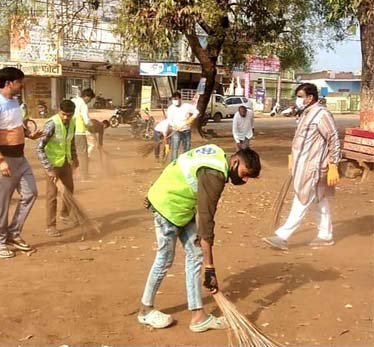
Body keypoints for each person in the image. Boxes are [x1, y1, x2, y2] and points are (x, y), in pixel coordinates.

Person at [139, 144, 261, 332]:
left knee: (195, 254)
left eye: (248, 178)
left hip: (182, 206)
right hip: (168, 205)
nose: (244, 180)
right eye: (245, 173)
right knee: (164, 259)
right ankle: (145, 310)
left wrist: (206, 264)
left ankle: (198, 316)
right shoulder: (215, 174)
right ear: (235, 161)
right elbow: (206, 220)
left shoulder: (218, 154)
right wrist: (210, 267)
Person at [263, 83, 341, 250]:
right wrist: (293, 157)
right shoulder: (306, 114)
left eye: (300, 96)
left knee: (302, 199)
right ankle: (325, 235)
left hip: (313, 166)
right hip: (301, 164)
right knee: (319, 200)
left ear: (310, 98)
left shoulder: (321, 114)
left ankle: (283, 236)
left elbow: (333, 139)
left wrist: (334, 164)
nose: (297, 100)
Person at [0, 67, 43, 259]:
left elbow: (16, 125)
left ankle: (13, 232)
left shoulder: (14, 101)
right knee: (2, 203)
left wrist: (29, 134)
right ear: (9, 83)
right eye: (19, 82)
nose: (21, 85)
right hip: (3, 159)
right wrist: (0, 161)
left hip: (20, 158)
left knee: (31, 193)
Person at [37, 100, 79, 237]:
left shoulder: (73, 123)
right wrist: (49, 168)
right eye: (63, 114)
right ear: (58, 111)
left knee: (69, 190)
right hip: (52, 164)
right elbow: (39, 148)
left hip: (65, 162)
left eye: (69, 115)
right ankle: (50, 226)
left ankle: (65, 215)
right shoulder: (52, 124)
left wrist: (75, 157)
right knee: (52, 196)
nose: (66, 118)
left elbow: (71, 141)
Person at [167, 91, 199, 161]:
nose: (175, 101)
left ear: (180, 99)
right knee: (175, 149)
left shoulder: (186, 106)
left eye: (176, 99)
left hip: (186, 131)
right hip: (176, 132)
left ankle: (185, 163)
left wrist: (191, 119)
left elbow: (196, 112)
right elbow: (169, 120)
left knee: (187, 149)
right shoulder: (170, 109)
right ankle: (174, 164)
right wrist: (175, 126)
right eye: (174, 99)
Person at [72, 88, 95, 181]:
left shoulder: (73, 101)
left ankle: (72, 174)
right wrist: (91, 126)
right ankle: (84, 176)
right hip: (79, 132)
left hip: (69, 132)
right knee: (83, 155)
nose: (89, 102)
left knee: (72, 154)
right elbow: (86, 121)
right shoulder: (83, 105)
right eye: (90, 99)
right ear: (87, 97)